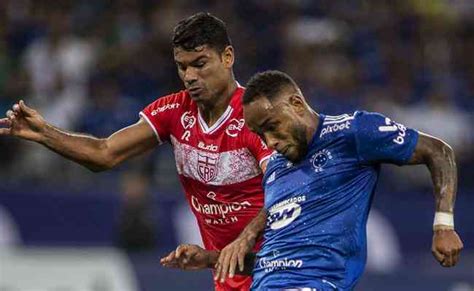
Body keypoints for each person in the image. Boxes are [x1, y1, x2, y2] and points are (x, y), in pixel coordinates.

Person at [0, 13, 273, 291]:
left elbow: (287, 190)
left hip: (282, 272)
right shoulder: (174, 112)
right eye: (182, 67)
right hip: (229, 280)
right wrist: (45, 133)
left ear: (227, 57)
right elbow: (104, 153)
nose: (190, 76)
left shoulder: (258, 116)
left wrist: (246, 236)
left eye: (200, 64)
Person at [160, 70, 463, 290]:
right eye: (260, 134)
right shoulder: (276, 170)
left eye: (272, 126)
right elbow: (274, 258)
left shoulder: (351, 132)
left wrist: (443, 224)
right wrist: (210, 259)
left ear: (296, 103)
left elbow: (438, 151)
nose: (270, 141)